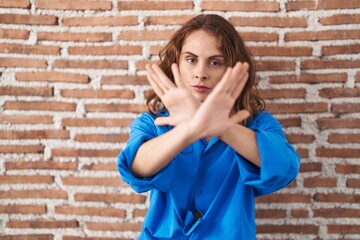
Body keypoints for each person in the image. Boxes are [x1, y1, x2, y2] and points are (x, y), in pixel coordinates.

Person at [118, 14, 300, 239]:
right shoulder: (154, 122)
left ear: (230, 68)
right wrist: (190, 129)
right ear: (177, 61)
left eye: (215, 62)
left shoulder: (257, 124)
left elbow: (285, 167)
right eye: (191, 59)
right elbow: (135, 170)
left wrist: (223, 128)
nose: (201, 73)